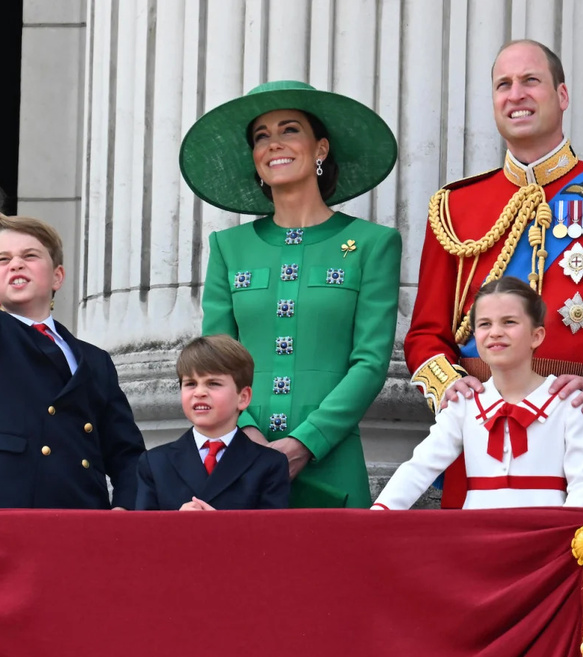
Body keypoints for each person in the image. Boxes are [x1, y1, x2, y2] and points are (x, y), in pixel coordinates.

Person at [404, 39, 583, 507]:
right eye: (503, 85)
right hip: (479, 427)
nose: (516, 95)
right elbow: (425, 334)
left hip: (578, 421)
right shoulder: (455, 206)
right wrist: (450, 385)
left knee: (578, 567)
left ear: (562, 96)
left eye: (531, 80)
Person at [179, 81, 402, 508]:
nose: (274, 143)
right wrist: (248, 434)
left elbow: (371, 362)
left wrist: (307, 441)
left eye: (289, 130)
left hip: (332, 460)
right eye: (261, 136)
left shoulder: (373, 243)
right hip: (242, 455)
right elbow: (215, 363)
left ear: (321, 148)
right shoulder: (229, 247)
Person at [372, 277, 583, 509]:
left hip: (548, 535)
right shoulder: (464, 403)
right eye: (484, 324)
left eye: (509, 322)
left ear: (536, 336)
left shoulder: (567, 401)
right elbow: (419, 467)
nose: (495, 332)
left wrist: (563, 535)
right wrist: (379, 513)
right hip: (477, 537)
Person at [0, 213, 144, 509]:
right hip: (12, 512)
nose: (16, 264)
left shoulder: (96, 359)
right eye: (3, 259)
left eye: (30, 256)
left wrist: (127, 509)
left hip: (83, 514)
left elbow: (127, 452)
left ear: (57, 276)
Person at [136, 335, 290, 510]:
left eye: (213, 383)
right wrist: (175, 524)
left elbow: (272, 534)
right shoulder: (155, 463)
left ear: (243, 397)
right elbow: (142, 533)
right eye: (191, 383)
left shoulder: (269, 464)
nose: (199, 392)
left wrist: (220, 527)